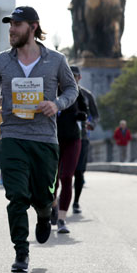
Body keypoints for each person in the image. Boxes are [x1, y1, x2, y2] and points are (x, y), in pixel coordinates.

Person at [0, 6, 78, 273]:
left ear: (33, 27)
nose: (11, 29)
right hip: (12, 134)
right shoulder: (1, 61)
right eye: (10, 24)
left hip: (45, 139)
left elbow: (72, 89)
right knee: (16, 195)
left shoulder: (56, 60)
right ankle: (21, 252)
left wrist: (57, 104)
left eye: (17, 24)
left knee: (43, 196)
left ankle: (44, 213)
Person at [52, 79, 88, 234]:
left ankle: (61, 218)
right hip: (51, 140)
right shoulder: (48, 89)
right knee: (51, 180)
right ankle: (53, 205)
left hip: (73, 139)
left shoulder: (75, 91)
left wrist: (81, 115)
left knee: (67, 177)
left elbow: (86, 112)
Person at [71, 66, 99, 214]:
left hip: (82, 137)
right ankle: (55, 203)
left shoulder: (86, 95)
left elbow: (95, 115)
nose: (72, 78)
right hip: (63, 137)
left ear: (79, 78)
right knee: (60, 173)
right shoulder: (58, 94)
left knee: (79, 172)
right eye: (70, 76)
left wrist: (92, 124)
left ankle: (76, 202)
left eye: (75, 76)